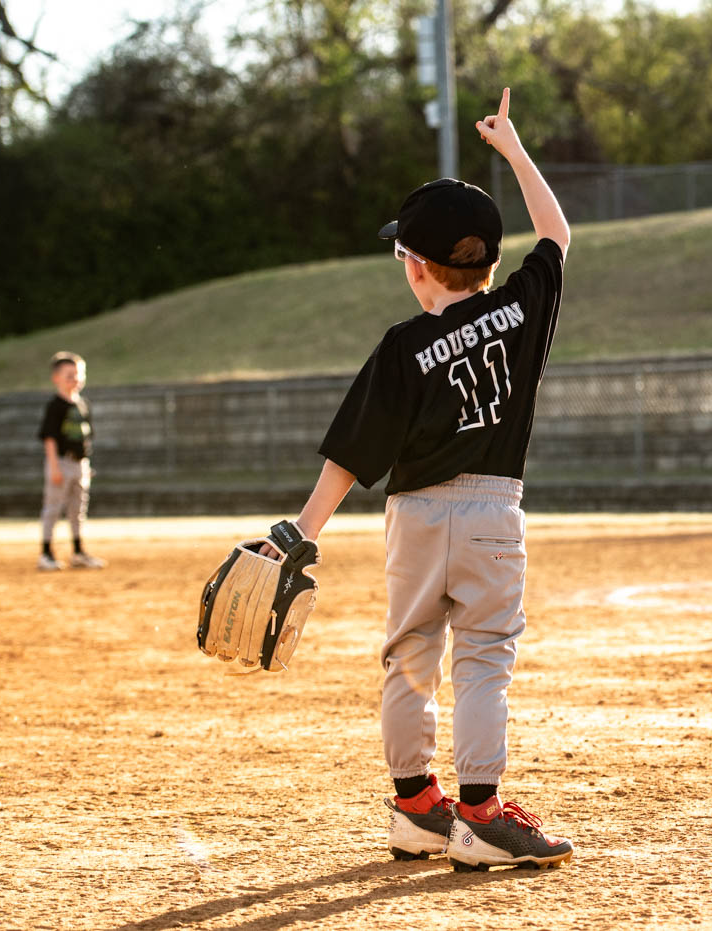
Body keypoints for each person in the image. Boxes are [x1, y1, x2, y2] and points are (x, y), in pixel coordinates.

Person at [267, 89, 573, 872]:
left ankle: (416, 808)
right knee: (483, 659)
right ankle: (480, 816)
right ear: (489, 264)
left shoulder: (403, 347)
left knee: (409, 655)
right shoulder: (523, 308)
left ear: (413, 265)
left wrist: (302, 531)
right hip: (492, 511)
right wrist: (512, 150)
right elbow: (557, 234)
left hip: (412, 515)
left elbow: (352, 452)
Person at [36, 351, 106, 571]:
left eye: (78, 374)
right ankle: (46, 553)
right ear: (56, 378)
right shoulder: (55, 405)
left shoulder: (83, 404)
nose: (75, 379)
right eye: (69, 375)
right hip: (61, 462)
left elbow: (86, 437)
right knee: (53, 509)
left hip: (80, 464)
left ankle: (78, 552)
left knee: (78, 510)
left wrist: (86, 464)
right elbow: (49, 438)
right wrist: (54, 467)